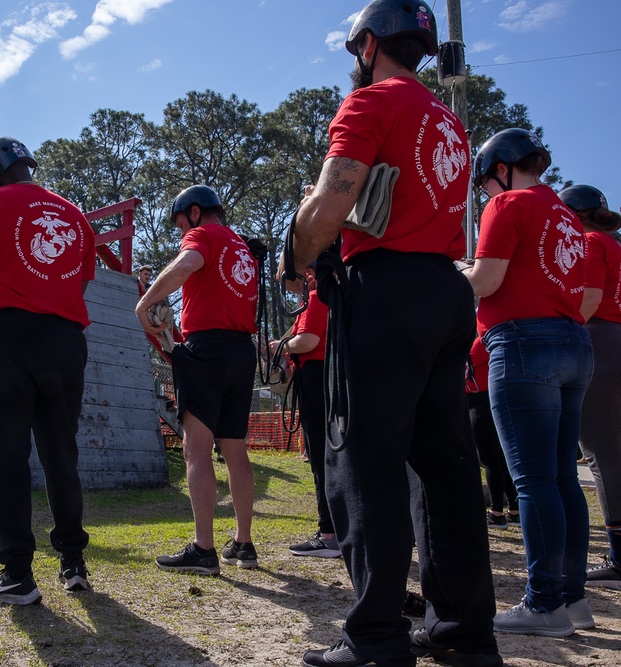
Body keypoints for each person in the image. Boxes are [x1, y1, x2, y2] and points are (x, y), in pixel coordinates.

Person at [281, 2, 501, 666]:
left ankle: (375, 636)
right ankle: (463, 628)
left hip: (385, 290)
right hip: (445, 290)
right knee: (446, 470)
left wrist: (296, 260)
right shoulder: (450, 122)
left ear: (369, 45)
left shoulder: (372, 104)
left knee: (365, 462)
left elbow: (329, 206)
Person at [0, 136, 95, 605]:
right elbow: (78, 279)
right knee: (60, 455)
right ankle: (73, 564)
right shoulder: (73, 214)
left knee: (6, 455)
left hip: (6, 336)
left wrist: (1, 296)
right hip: (66, 341)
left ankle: (16, 574)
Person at [464, 128, 594, 636]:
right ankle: (571, 597)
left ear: (499, 169)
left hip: (522, 342)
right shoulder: (564, 213)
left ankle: (543, 605)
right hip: (571, 343)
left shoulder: (508, 204)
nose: (486, 195)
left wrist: (457, 273)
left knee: (533, 482)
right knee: (562, 478)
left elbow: (488, 281)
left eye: (486, 185)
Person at [135, 185, 259, 574]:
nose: (179, 232)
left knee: (196, 451)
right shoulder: (243, 247)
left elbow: (187, 264)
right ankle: (243, 543)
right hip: (243, 350)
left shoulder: (203, 234)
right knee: (236, 452)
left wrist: (145, 302)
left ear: (193, 212)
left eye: (179, 224)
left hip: (207, 350)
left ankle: (203, 548)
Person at [559, 184, 621, 591]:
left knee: (601, 453)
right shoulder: (614, 241)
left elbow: (588, 298)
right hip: (615, 336)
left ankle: (619, 557)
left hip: (597, 337)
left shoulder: (589, 242)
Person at [279, 284, 341, 559]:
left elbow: (308, 340)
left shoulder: (316, 297)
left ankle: (329, 534)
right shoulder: (335, 295)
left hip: (315, 375)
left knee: (321, 456)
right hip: (329, 373)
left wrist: (282, 346)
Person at [466, 337, 520, 530]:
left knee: (490, 459)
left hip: (480, 402)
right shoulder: (493, 338)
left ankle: (497, 513)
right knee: (500, 458)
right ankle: (514, 509)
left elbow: (464, 366)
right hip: (491, 399)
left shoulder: (481, 341)